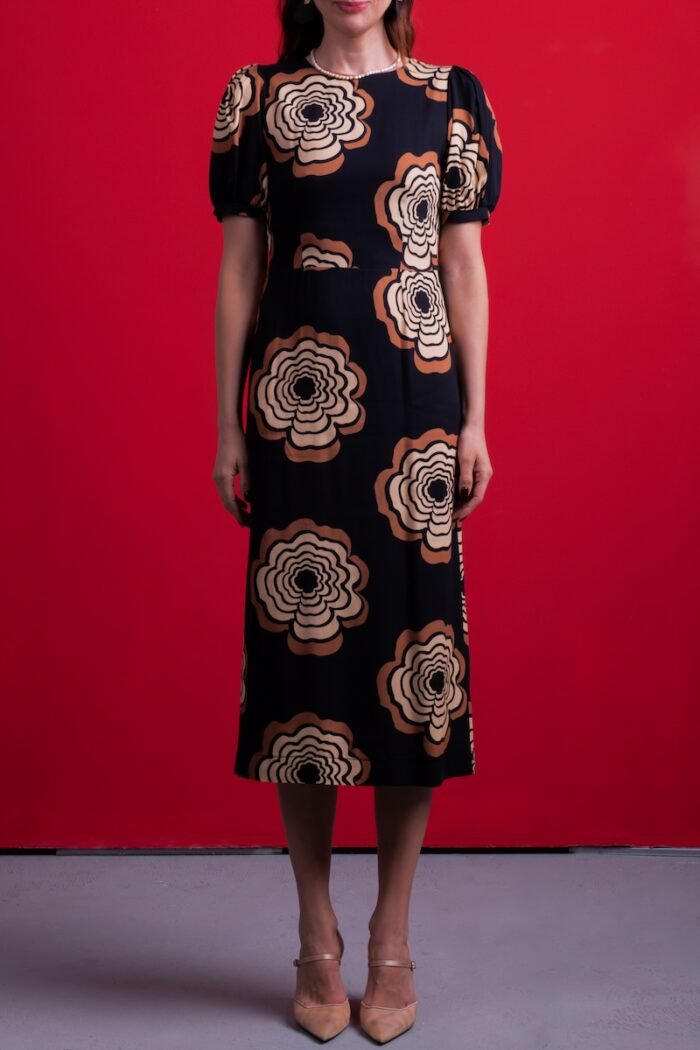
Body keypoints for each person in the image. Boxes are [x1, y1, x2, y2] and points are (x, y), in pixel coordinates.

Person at [208, 0, 503, 1041]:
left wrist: (474, 417)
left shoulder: (446, 100)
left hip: (413, 413)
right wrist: (227, 426)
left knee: (410, 664)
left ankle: (392, 936)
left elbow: (461, 266)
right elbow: (242, 267)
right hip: (296, 406)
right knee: (305, 672)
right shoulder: (260, 99)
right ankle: (314, 933)